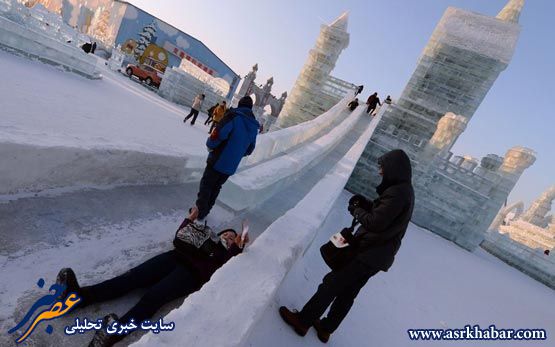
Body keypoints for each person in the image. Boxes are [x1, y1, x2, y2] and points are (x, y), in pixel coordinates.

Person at [279, 149, 414, 343]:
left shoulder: (397, 193)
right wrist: (366, 203)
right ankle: (326, 328)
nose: (380, 172)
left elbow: (376, 223)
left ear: (393, 169)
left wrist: (356, 210)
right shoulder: (404, 191)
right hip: (378, 256)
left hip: (368, 252)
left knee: (331, 284)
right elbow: (386, 216)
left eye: (383, 168)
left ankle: (302, 321)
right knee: (347, 293)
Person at [55, 217, 249, 347]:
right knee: (129, 278)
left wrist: (237, 249)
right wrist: (189, 220)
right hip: (173, 257)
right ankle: (77, 296)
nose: (229, 237)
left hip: (191, 274)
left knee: (153, 298)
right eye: (227, 234)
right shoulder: (207, 237)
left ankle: (112, 333)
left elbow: (228, 268)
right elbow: (181, 237)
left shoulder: (227, 255)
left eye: (232, 237)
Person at [190, 96, 259, 225]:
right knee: (216, 186)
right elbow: (250, 149)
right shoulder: (254, 127)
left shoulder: (234, 116)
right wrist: (236, 154)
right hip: (231, 165)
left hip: (218, 159)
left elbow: (219, 133)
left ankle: (199, 211)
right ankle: (206, 210)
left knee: (206, 184)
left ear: (240, 104)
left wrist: (210, 145)